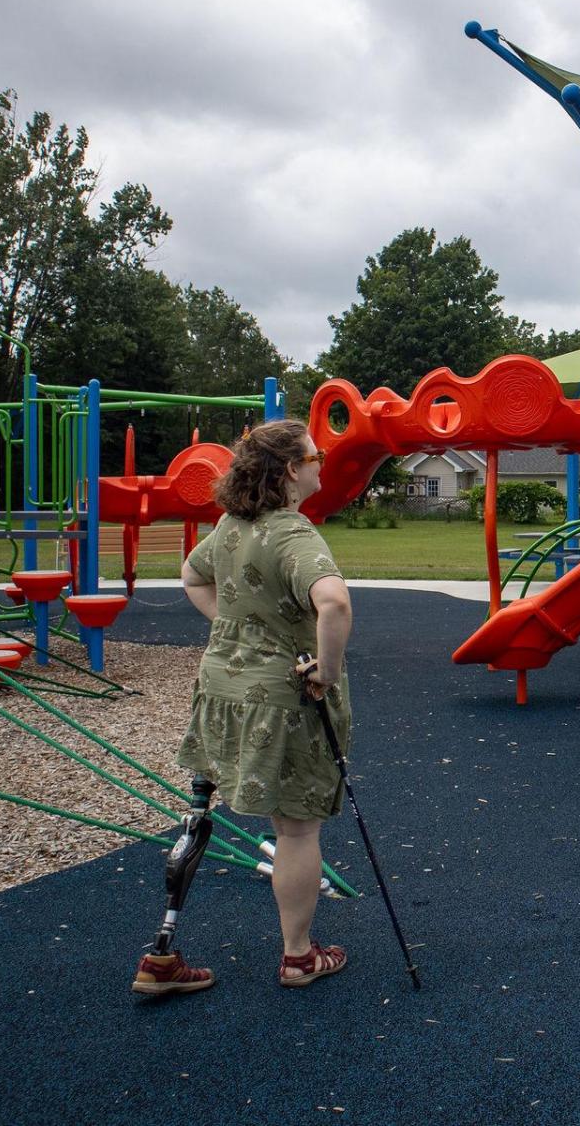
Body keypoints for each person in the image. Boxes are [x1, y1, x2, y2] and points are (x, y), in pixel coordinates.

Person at [130, 419, 355, 994]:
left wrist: (240, 631)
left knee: (202, 811)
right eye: (315, 455)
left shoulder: (231, 526)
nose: (321, 464)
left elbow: (190, 577)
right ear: (289, 470)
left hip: (223, 690)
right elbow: (333, 603)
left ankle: (163, 949)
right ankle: (299, 956)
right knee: (298, 831)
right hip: (282, 698)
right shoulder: (293, 534)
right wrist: (325, 673)